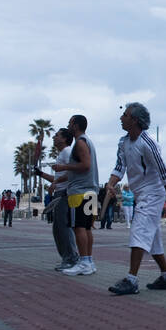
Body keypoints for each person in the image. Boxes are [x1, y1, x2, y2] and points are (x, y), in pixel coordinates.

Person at [102, 102, 166, 295]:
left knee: (138, 232)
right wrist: (111, 183)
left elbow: (164, 171)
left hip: (153, 194)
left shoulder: (148, 143)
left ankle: (131, 280)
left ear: (135, 120)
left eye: (125, 115)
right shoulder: (123, 142)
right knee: (152, 239)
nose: (121, 118)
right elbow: (119, 167)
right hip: (140, 194)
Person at [57, 114, 101, 276]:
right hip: (91, 191)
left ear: (75, 125)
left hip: (79, 193)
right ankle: (88, 261)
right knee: (87, 227)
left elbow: (85, 165)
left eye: (70, 122)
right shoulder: (88, 141)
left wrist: (63, 167)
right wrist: (60, 177)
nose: (68, 125)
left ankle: (83, 262)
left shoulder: (80, 143)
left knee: (79, 227)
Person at [34, 128, 79, 270]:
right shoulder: (62, 154)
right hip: (60, 193)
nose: (53, 137)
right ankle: (68, 258)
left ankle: (71, 259)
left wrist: (56, 183)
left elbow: (74, 172)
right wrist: (41, 174)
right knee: (58, 228)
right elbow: (57, 178)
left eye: (56, 135)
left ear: (65, 139)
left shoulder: (67, 152)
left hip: (65, 194)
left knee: (63, 228)